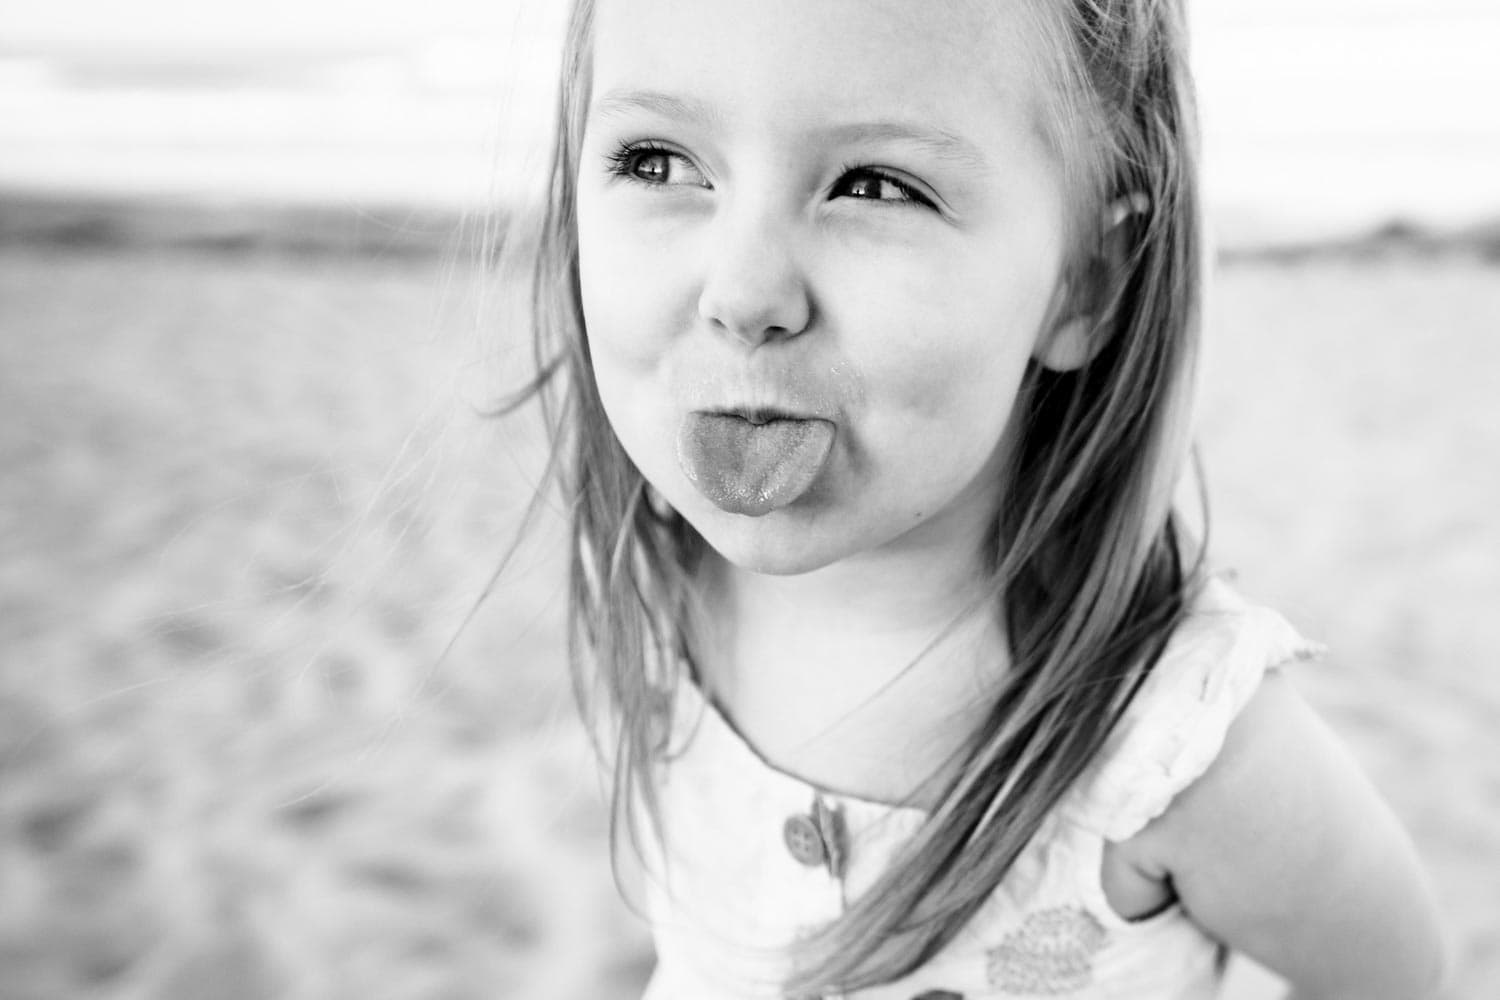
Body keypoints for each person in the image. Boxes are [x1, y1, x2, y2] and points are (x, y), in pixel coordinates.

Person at [496, 0, 1447, 996]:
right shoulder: (662, 584)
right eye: (657, 162)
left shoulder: (1169, 742)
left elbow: (1400, 972)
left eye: (876, 185)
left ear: (1086, 283)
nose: (742, 291)